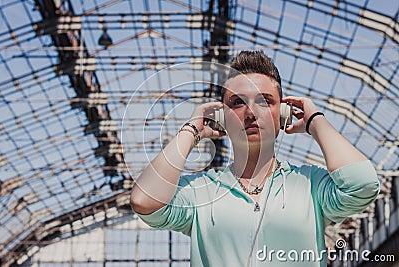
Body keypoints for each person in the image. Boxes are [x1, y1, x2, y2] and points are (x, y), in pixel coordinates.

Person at [129, 51, 380, 266]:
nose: (250, 112)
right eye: (237, 103)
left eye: (264, 101)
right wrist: (191, 131)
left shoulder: (311, 186)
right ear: (221, 117)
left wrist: (316, 121)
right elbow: (144, 200)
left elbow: (362, 184)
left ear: (282, 113)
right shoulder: (200, 193)